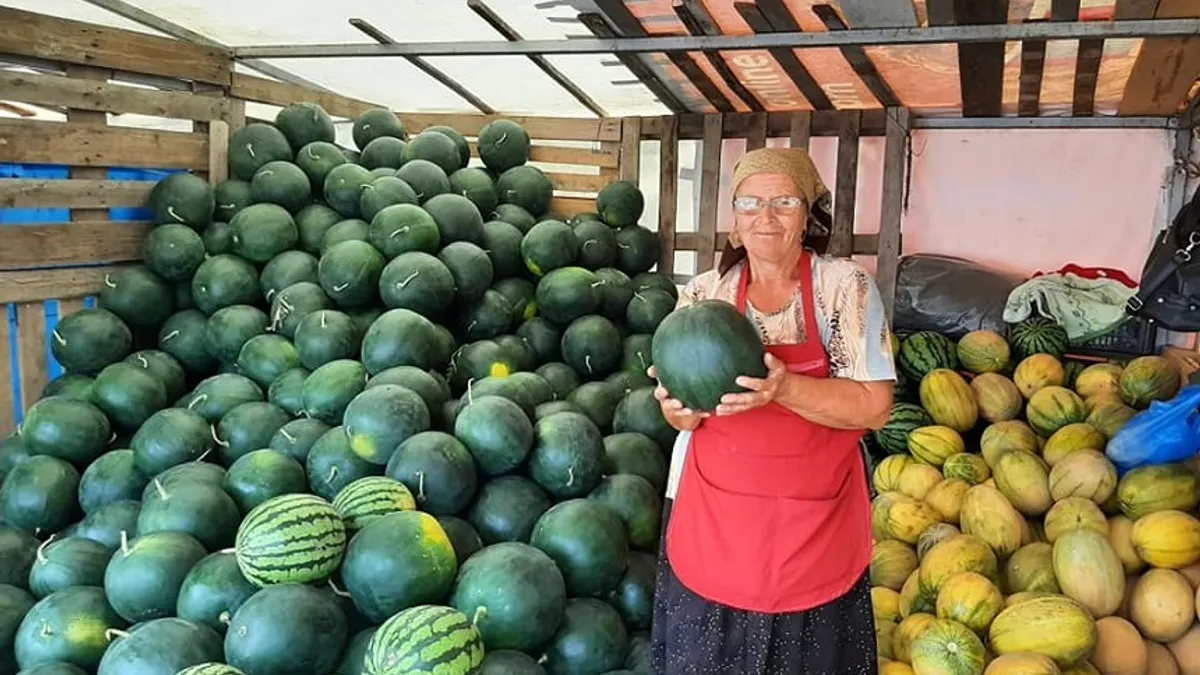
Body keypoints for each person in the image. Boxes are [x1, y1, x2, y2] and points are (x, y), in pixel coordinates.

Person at [649, 146, 897, 675]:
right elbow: (687, 418)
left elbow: (874, 407)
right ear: (734, 220)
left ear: (808, 215)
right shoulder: (702, 294)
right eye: (750, 202)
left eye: (784, 201)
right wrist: (675, 406)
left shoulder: (843, 288)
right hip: (720, 520)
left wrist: (783, 389)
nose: (766, 215)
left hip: (815, 525)